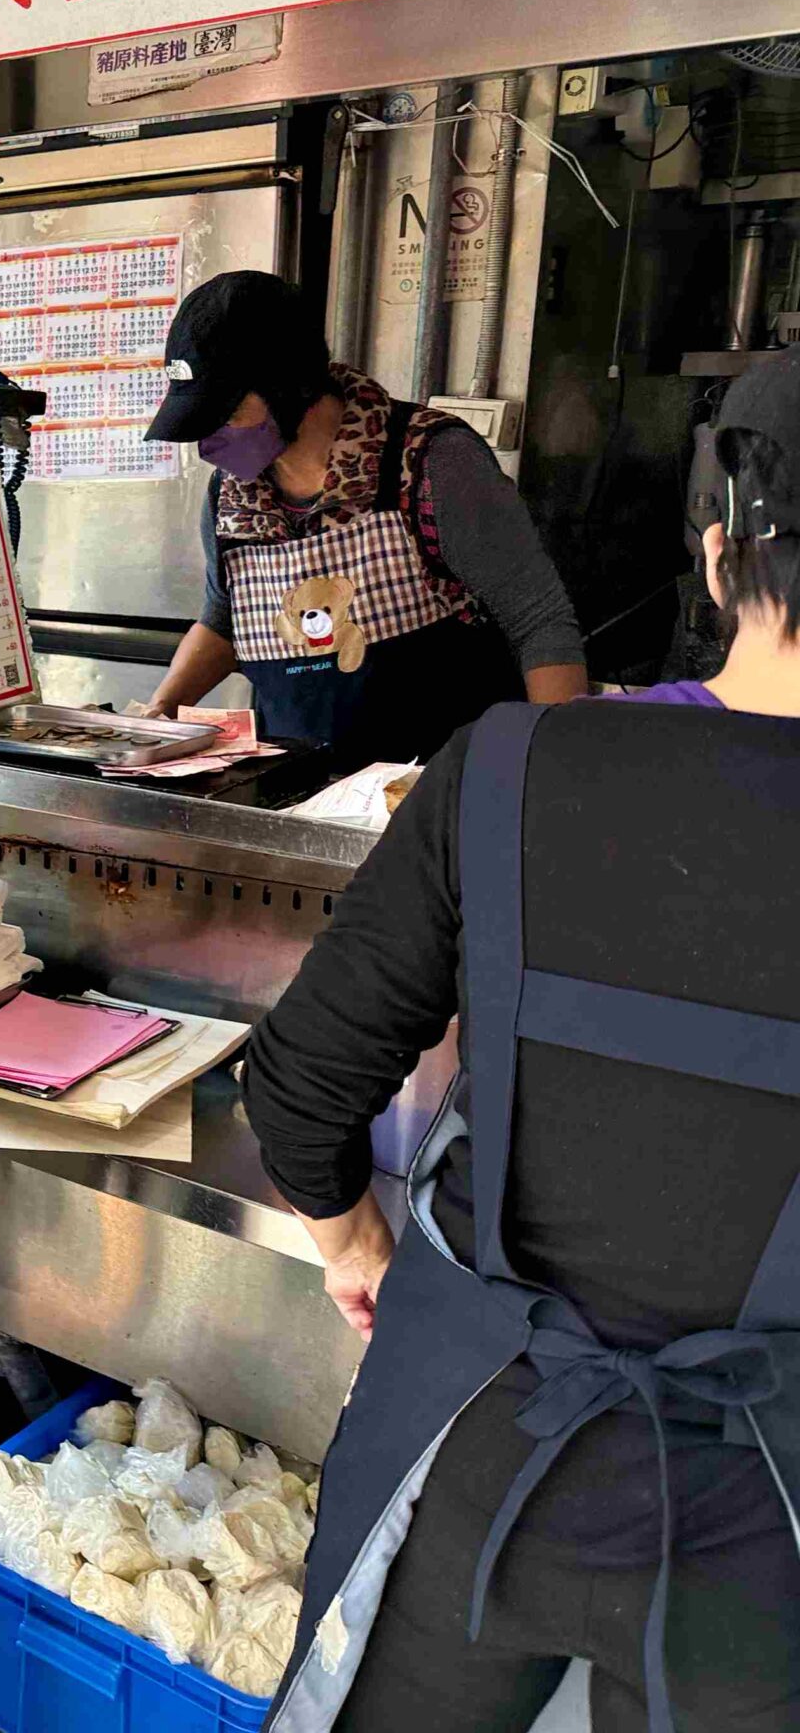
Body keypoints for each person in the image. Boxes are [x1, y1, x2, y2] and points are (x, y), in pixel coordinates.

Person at [241, 349, 800, 1731]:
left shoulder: (509, 764)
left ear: (720, 555)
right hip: (768, 1525)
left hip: (478, 1439)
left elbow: (300, 1085)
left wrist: (358, 1251)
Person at [143, 271, 588, 766]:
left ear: (289, 384)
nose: (210, 439)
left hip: (440, 792)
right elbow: (223, 616)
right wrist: (160, 711)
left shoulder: (428, 462)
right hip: (298, 790)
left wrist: (555, 769)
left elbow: (538, 620)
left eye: (224, 413)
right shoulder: (231, 493)